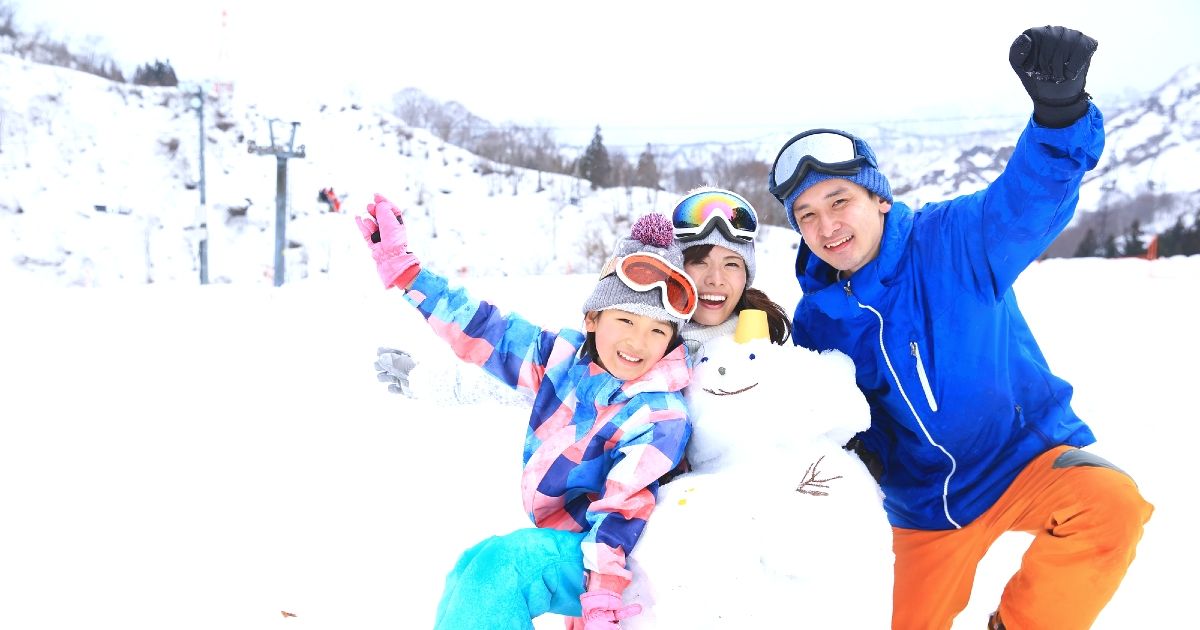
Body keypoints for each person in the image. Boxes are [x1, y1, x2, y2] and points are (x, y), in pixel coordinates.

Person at [766, 25, 1153, 630]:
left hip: (1021, 461)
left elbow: (1026, 202)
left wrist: (1059, 116)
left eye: (840, 200)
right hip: (925, 506)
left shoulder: (954, 241)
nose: (827, 225)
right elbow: (832, 417)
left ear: (879, 199)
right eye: (808, 215)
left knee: (1111, 507)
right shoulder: (817, 319)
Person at [356, 193, 698, 629]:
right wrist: (408, 274)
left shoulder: (657, 411)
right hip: (572, 543)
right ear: (594, 318)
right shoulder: (565, 360)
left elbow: (624, 505)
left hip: (616, 554)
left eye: (656, 332)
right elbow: (488, 331)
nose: (637, 343)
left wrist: (603, 593)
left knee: (504, 568)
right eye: (626, 322)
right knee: (472, 566)